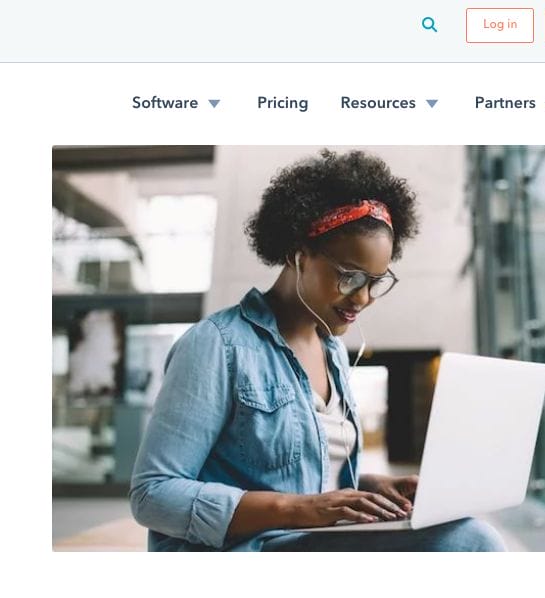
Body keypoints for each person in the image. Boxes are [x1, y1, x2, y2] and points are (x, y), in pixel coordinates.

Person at [129, 149, 507, 552]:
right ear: (298, 255)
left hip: (308, 541)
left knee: (464, 531)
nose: (362, 298)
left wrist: (372, 488)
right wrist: (299, 510)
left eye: (375, 282)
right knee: (469, 544)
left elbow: (305, 476)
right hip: (250, 549)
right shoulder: (216, 346)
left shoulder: (333, 352)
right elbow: (153, 495)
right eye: (349, 277)